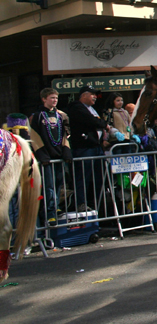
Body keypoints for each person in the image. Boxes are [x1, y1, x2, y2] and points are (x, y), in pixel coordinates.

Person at [29, 88, 72, 224]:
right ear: (44, 99)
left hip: (58, 155)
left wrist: (66, 150)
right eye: (52, 98)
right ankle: (50, 212)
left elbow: (65, 134)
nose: (54, 101)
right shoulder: (38, 116)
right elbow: (34, 136)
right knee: (49, 186)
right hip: (47, 158)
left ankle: (57, 207)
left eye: (56, 98)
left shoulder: (60, 116)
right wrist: (42, 154)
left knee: (59, 183)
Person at [67, 85, 112, 212]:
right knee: (83, 178)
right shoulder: (76, 107)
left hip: (96, 147)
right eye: (92, 94)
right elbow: (91, 121)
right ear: (84, 95)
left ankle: (97, 204)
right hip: (84, 148)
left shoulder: (93, 109)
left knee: (98, 178)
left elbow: (97, 120)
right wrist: (104, 124)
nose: (95, 97)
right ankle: (81, 203)